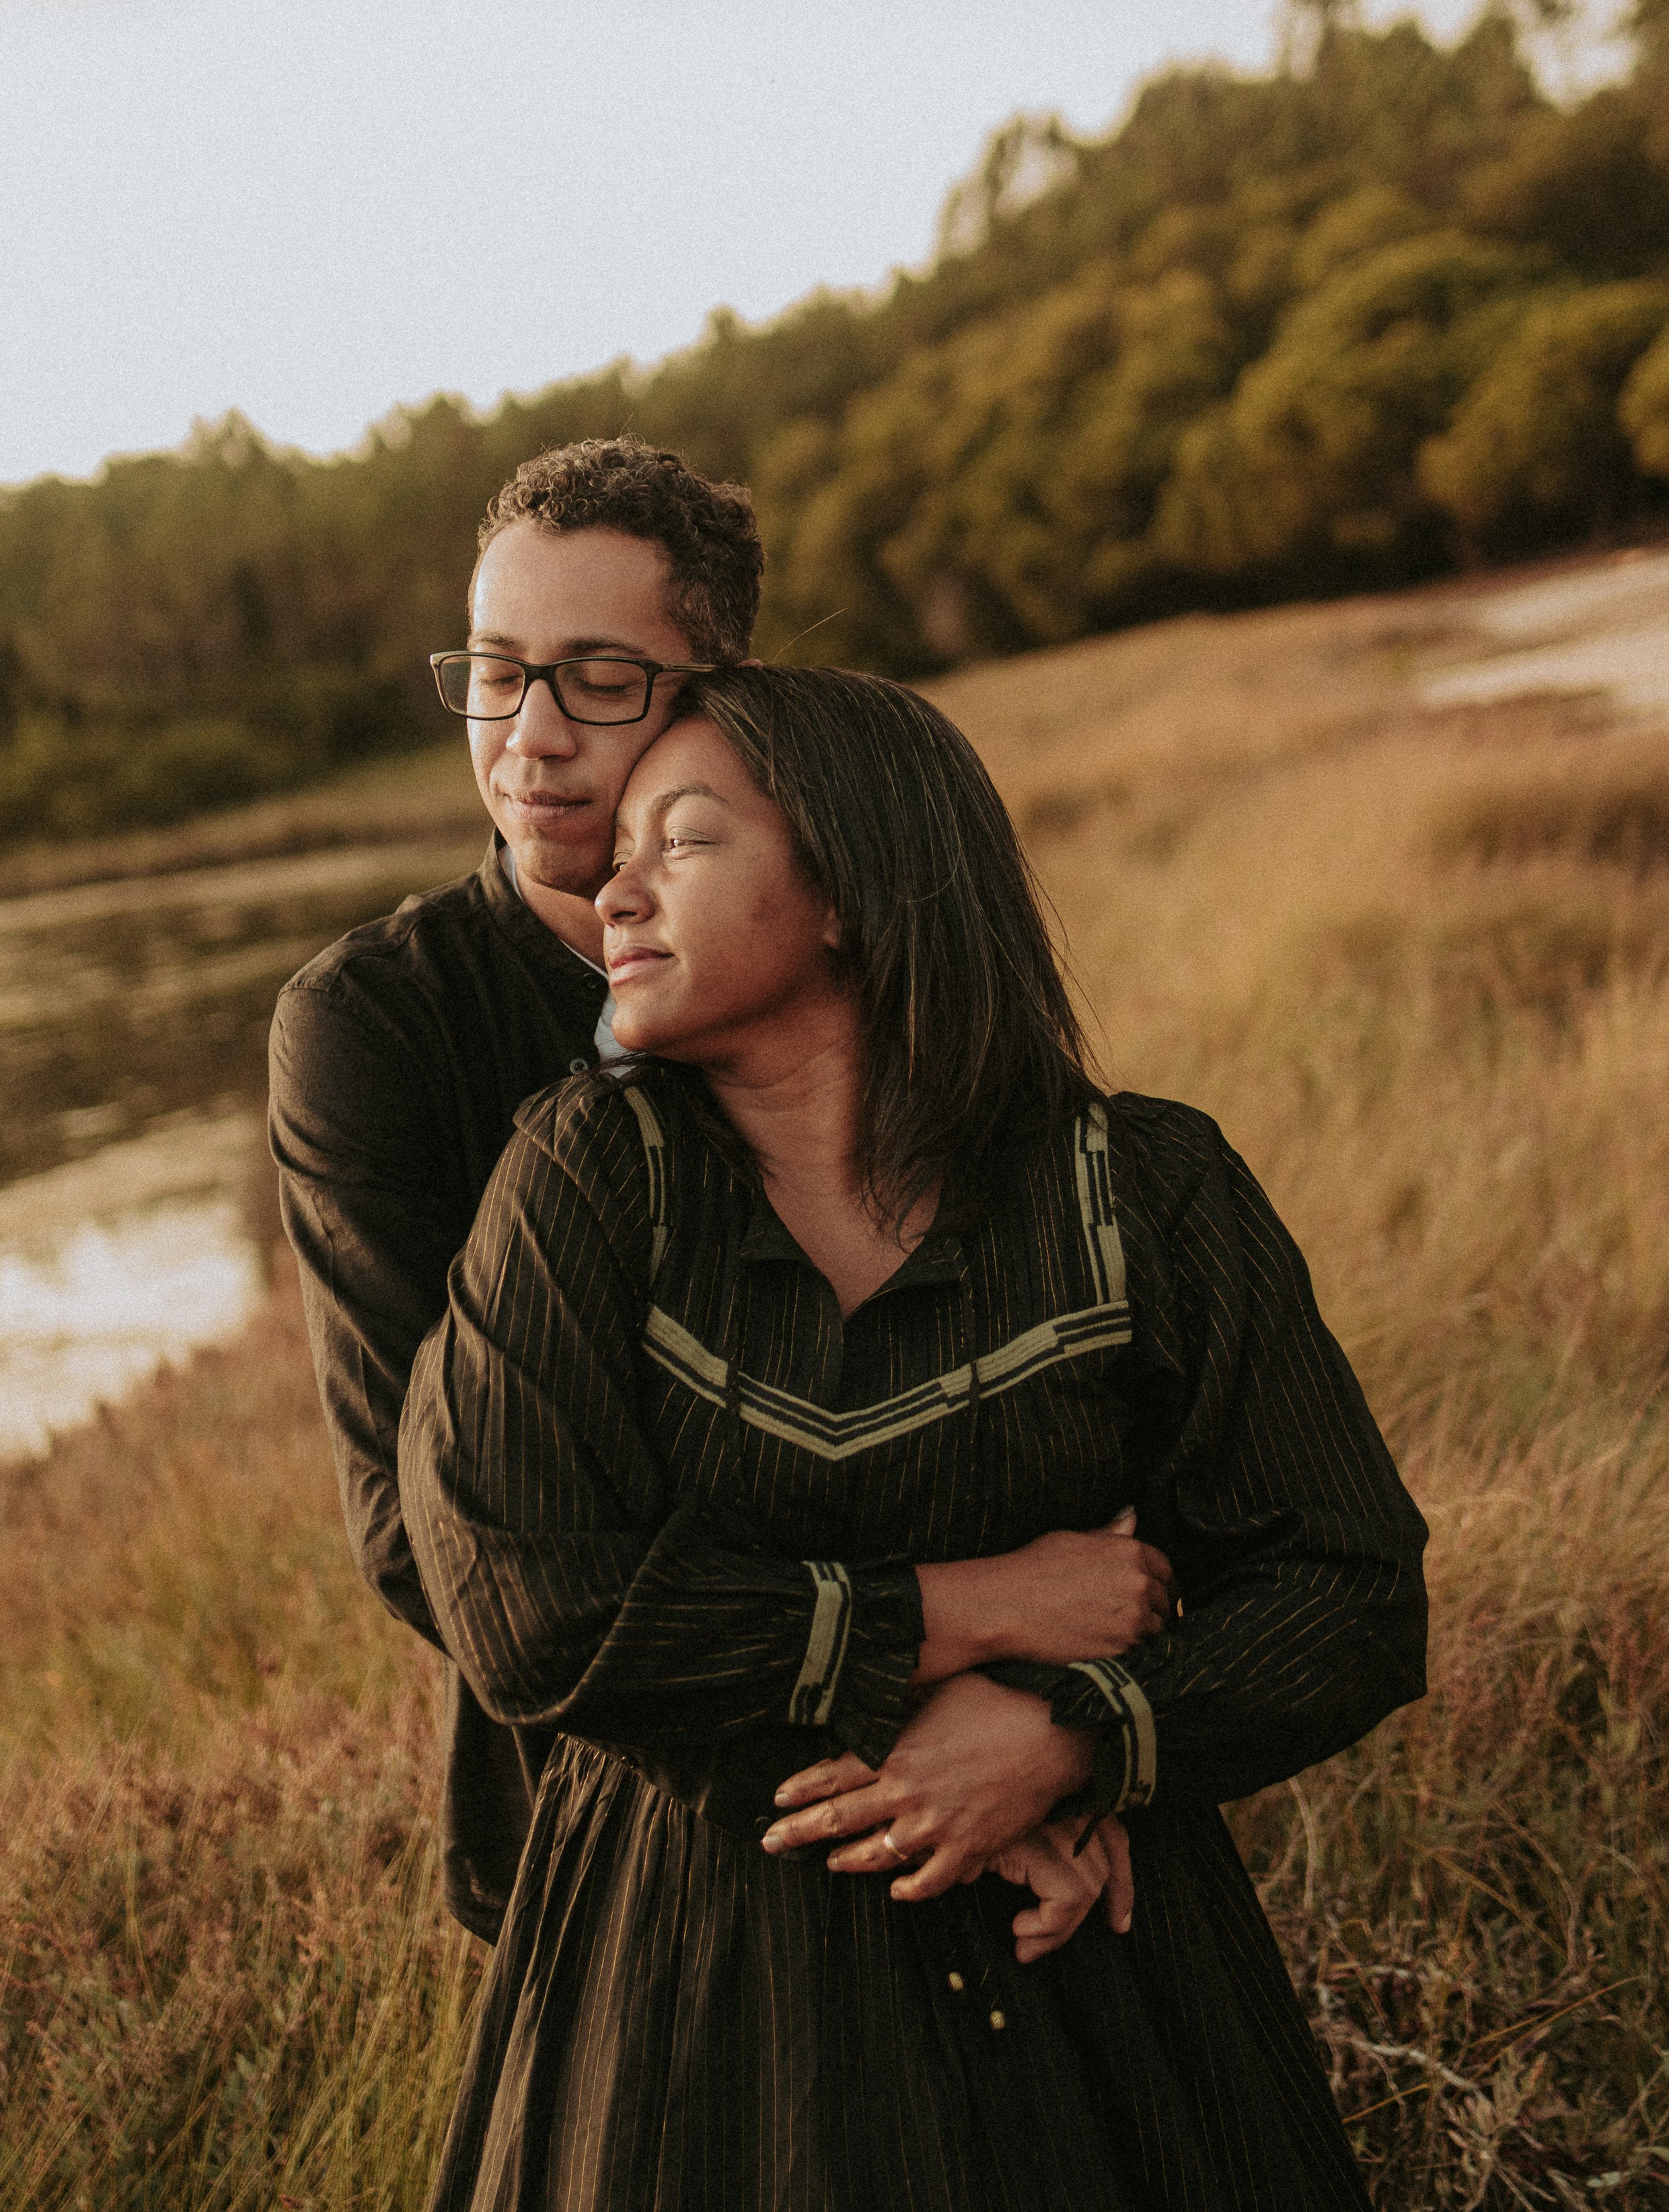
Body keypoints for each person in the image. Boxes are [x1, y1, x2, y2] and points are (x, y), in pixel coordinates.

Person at [398, 665, 1430, 2212]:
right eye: (616, 850)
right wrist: (965, 1614)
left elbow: (1349, 1586)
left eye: (677, 842)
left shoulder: (1140, 1190)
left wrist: (1068, 1738)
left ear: (853, 890)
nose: (609, 890)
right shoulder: (580, 1180)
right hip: (688, 2009)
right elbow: (528, 1610)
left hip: (1099, 1997)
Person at [268, 438, 769, 1938]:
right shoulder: (371, 1024)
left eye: (598, 678)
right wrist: (892, 1665)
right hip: (594, 1825)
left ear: (717, 693)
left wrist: (1032, 1728)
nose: (528, 736)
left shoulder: (841, 950)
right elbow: (425, 1535)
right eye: (496, 670)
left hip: (970, 1782)